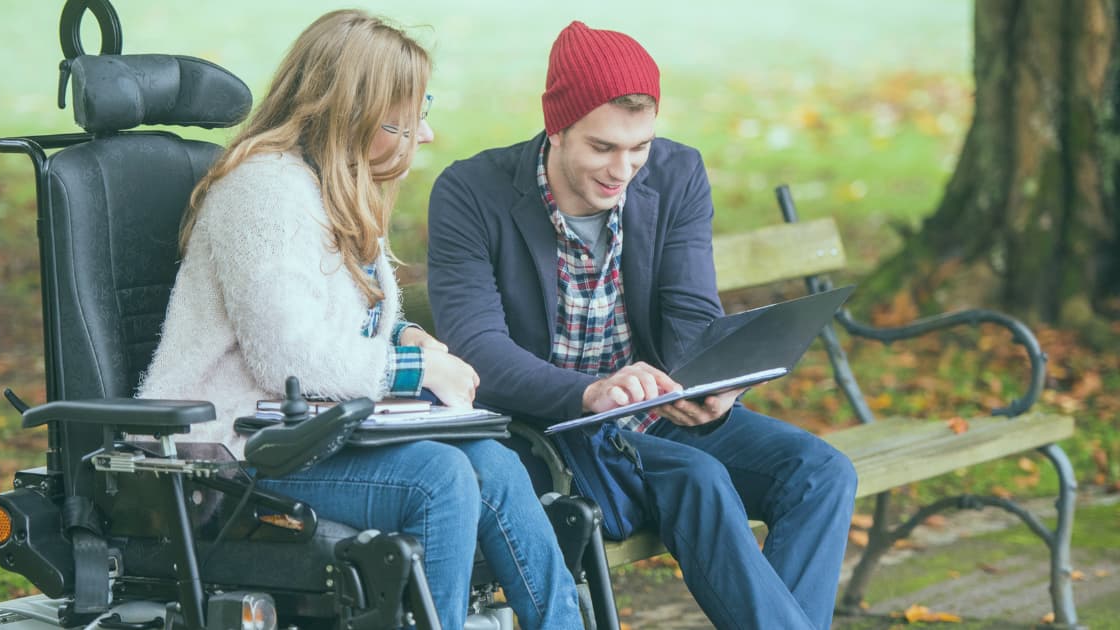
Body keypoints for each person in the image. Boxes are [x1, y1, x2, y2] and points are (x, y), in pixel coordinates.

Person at [137, 10, 582, 629]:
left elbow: (345, 321)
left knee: (495, 460)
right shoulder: (263, 190)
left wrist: (407, 336)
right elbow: (285, 356)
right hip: (232, 451)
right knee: (440, 477)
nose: (424, 134)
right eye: (408, 117)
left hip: (311, 434)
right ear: (352, 111)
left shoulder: (332, 185)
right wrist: (417, 368)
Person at [427, 20, 858, 629]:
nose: (623, 169)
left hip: (658, 412)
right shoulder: (472, 193)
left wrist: (711, 381)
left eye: (639, 148)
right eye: (602, 148)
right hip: (554, 430)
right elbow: (478, 351)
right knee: (699, 477)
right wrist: (590, 391)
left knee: (821, 473)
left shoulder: (677, 173)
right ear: (556, 127)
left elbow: (690, 314)